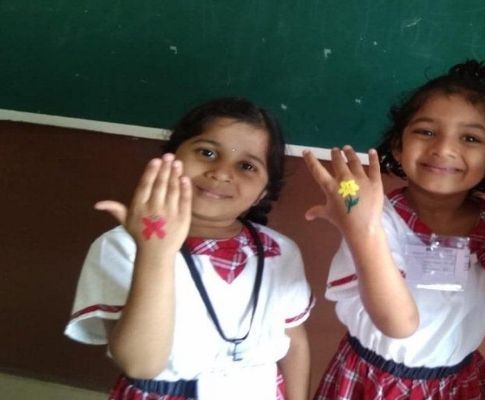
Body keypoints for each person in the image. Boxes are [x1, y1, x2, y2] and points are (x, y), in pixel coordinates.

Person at [303, 59, 485, 399]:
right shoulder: (373, 221)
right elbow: (398, 325)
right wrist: (361, 228)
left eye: (471, 138)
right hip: (373, 381)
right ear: (398, 146)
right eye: (426, 131)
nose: (443, 149)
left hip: (456, 384)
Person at [65, 97, 314, 400]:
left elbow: (294, 343)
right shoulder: (123, 246)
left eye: (247, 166)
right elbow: (140, 364)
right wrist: (155, 255)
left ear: (263, 192)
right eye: (207, 152)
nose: (221, 172)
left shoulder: (280, 252)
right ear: (171, 158)